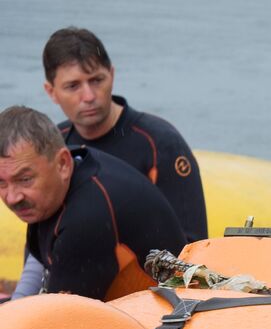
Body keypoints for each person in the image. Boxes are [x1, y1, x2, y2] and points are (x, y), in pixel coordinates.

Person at [0, 106, 185, 302]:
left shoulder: (86, 220)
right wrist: (16, 302)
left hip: (167, 319)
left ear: (63, 164)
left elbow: (59, 322)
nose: (12, 198)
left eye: (25, 179)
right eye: (1, 182)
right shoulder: (67, 170)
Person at [43, 27, 207, 243]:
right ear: (51, 91)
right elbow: (41, 237)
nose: (89, 96)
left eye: (96, 80)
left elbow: (193, 246)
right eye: (73, 86)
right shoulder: (54, 145)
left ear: (111, 75)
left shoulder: (161, 144)